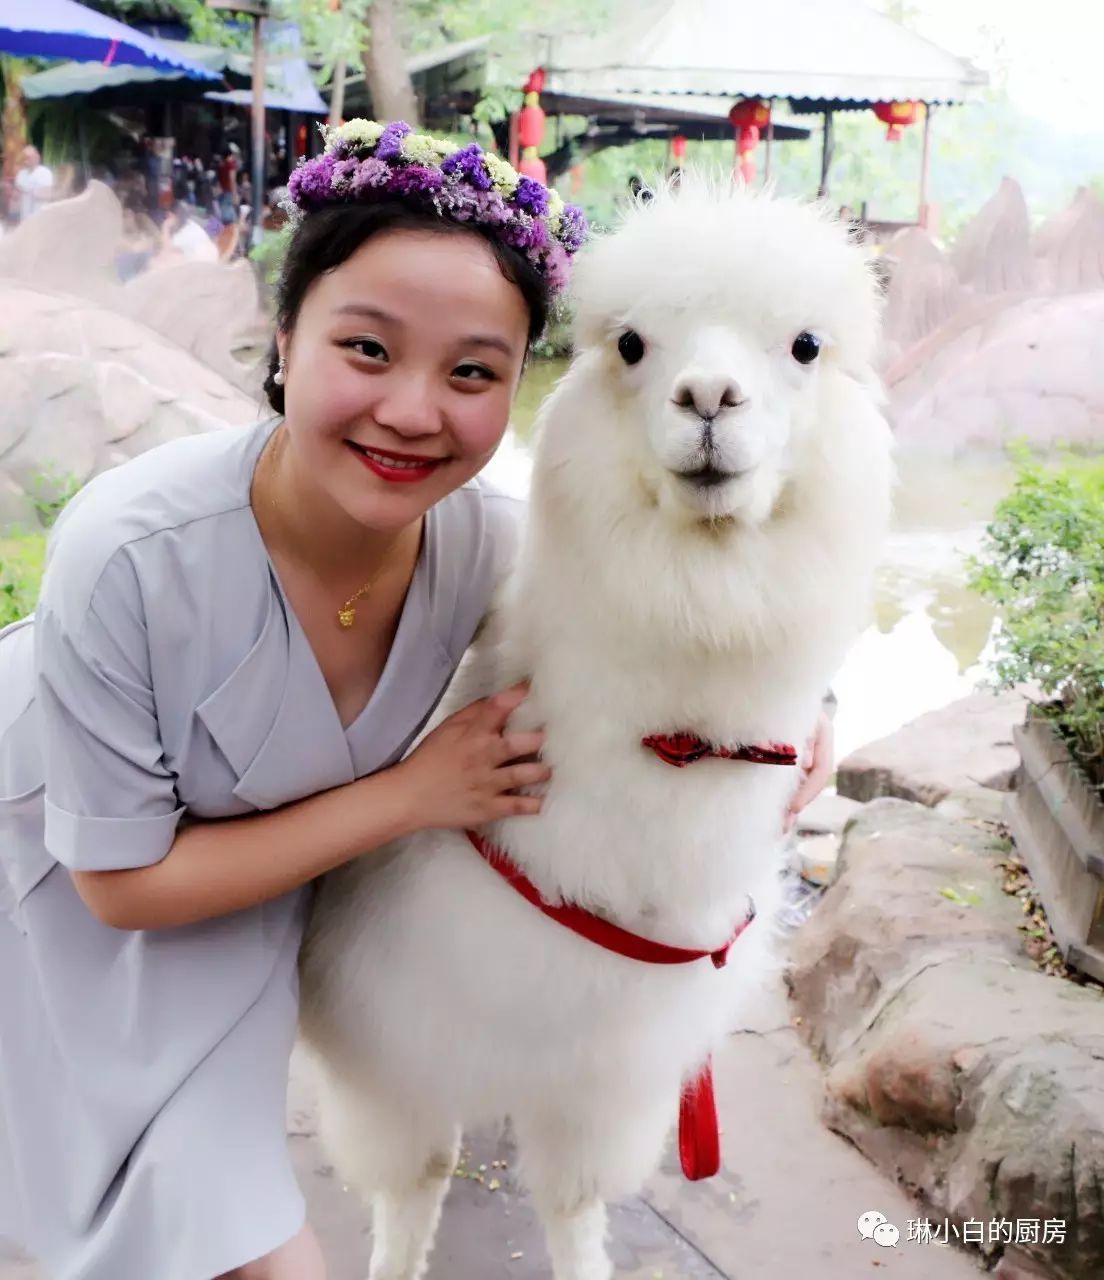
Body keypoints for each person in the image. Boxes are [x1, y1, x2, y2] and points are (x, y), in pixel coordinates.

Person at [0, 119, 832, 1280]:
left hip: (258, 897)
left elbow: (657, 628)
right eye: (368, 349)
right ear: (284, 336)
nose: (413, 410)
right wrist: (410, 796)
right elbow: (122, 883)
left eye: (474, 372)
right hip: (69, 888)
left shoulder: (490, 544)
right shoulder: (129, 550)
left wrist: (799, 714)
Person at [14, 145, 54, 223]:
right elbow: (17, 189)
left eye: (30, 157)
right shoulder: (22, 173)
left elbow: (48, 195)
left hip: (40, 216)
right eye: (25, 158)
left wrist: (29, 191)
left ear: (38, 157)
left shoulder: (45, 172)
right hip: (25, 215)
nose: (26, 161)